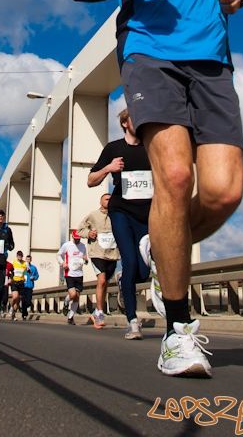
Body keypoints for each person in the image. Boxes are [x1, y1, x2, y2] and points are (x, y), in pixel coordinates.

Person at [70, 0, 243, 377]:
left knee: (223, 192)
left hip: (212, 63)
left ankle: (159, 247)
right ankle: (178, 331)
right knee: (175, 180)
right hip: (150, 56)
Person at [87, 110, 153, 339]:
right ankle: (133, 322)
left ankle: (124, 278)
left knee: (142, 272)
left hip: (147, 213)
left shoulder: (151, 146)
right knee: (130, 260)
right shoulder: (114, 149)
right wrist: (108, 168)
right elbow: (90, 180)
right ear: (125, 123)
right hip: (121, 211)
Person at [77, 193, 120, 330]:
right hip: (96, 252)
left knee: (105, 283)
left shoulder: (117, 215)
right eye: (107, 199)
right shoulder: (93, 215)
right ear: (101, 202)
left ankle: (97, 312)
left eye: (111, 199)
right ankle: (100, 313)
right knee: (101, 281)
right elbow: (80, 229)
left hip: (112, 253)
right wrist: (89, 234)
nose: (109, 201)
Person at [56, 230, 88, 325]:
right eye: (76, 239)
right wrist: (62, 263)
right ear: (72, 237)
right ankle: (66, 304)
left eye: (79, 239)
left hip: (79, 274)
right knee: (73, 294)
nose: (77, 241)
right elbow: (58, 255)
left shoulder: (83, 246)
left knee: (77, 297)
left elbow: (85, 259)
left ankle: (70, 317)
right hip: (69, 273)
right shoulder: (67, 245)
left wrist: (86, 260)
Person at [21, 255, 39, 320]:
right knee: (23, 301)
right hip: (23, 287)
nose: (28, 260)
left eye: (29, 259)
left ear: (30, 260)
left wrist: (33, 277)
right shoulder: (23, 267)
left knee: (28, 302)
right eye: (27, 259)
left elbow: (37, 275)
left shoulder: (33, 268)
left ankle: (24, 309)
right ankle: (24, 314)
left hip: (29, 287)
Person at [11, 251, 26, 320]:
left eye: (21, 256)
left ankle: (14, 313)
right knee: (15, 297)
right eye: (19, 256)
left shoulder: (25, 263)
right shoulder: (13, 262)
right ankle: (11, 307)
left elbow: (29, 271)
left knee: (19, 299)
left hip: (21, 283)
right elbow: (9, 270)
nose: (20, 257)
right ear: (17, 256)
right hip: (14, 282)